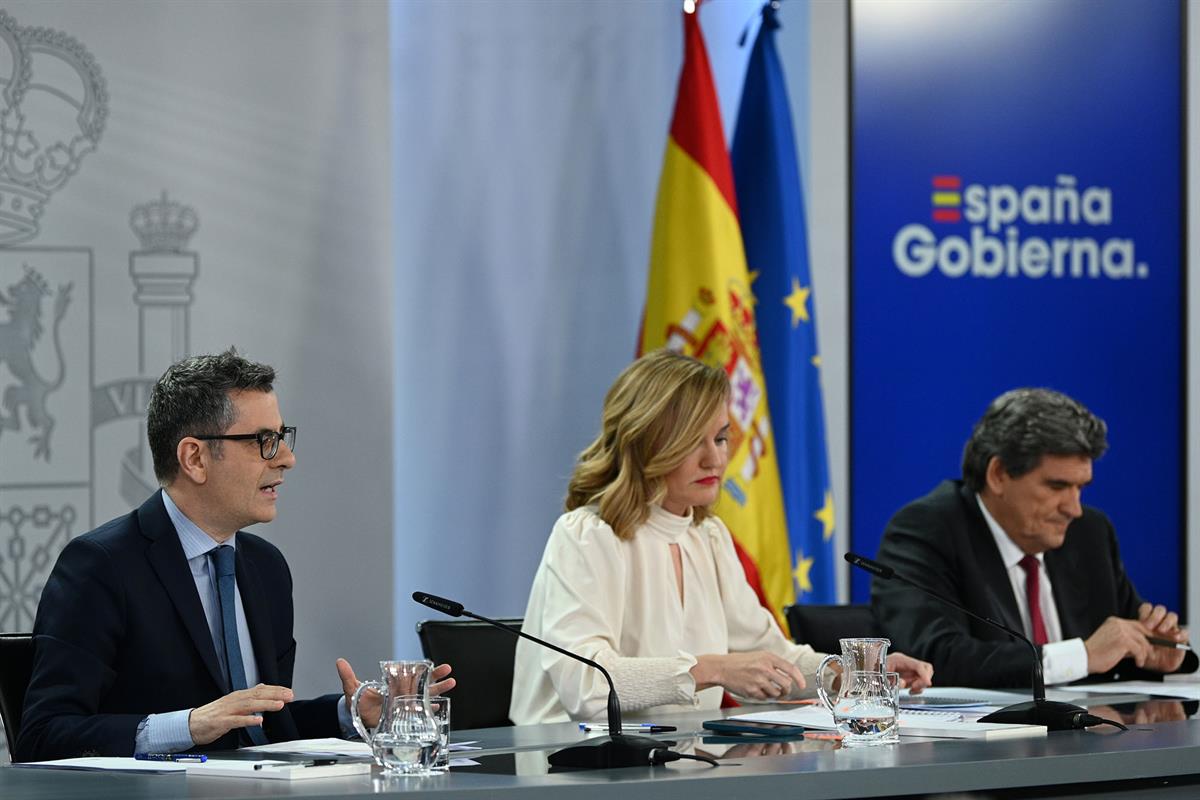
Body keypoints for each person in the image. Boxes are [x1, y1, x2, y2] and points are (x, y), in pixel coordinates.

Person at [16, 349, 453, 761]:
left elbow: (259, 731)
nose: (286, 459)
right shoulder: (101, 566)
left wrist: (350, 712)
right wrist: (186, 726)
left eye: (282, 437)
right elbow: (43, 735)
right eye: (263, 441)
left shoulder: (267, 568)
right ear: (195, 458)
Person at [509, 350, 932, 724]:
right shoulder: (587, 536)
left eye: (721, 438)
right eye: (694, 442)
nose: (715, 458)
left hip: (678, 763)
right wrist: (710, 669)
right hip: (568, 765)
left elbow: (769, 657)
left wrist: (855, 674)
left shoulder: (707, 537)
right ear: (646, 444)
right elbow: (586, 685)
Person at [871, 388, 1193, 689]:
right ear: (998, 475)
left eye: (1080, 488)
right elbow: (938, 658)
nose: (1074, 509)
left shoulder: (1090, 535)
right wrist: (1082, 655)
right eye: (1057, 487)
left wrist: (1156, 654)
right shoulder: (928, 530)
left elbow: (1116, 648)